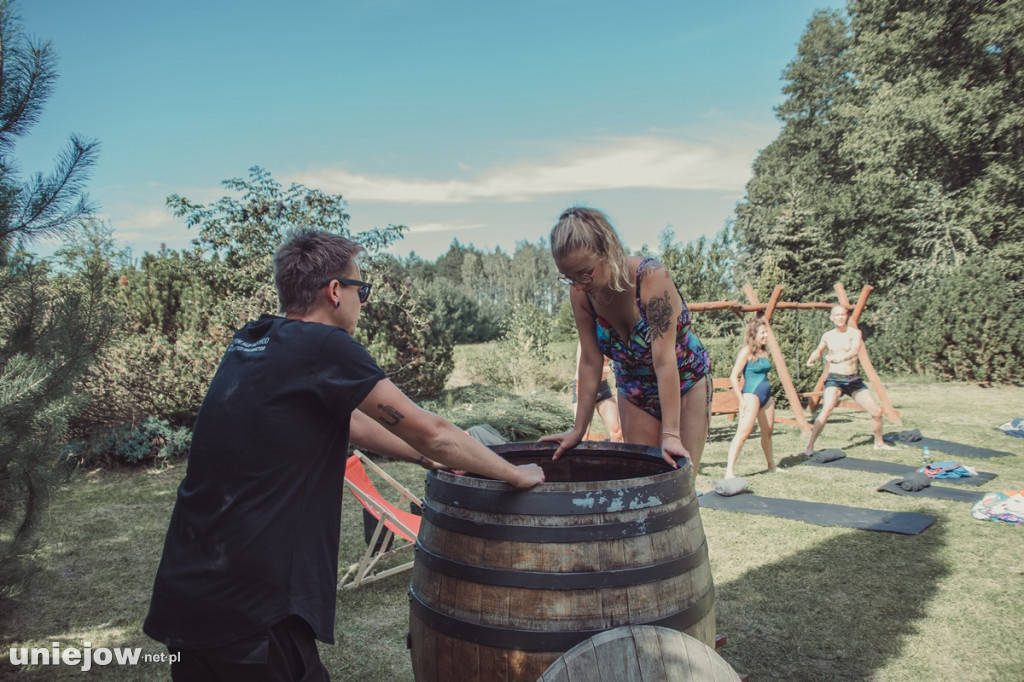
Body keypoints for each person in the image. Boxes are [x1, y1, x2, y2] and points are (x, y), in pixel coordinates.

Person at [143, 229, 544, 682]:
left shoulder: (254, 339)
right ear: (335, 291)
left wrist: (420, 460)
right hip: (250, 610)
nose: (363, 303)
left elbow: (350, 421)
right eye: (362, 290)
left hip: (189, 588)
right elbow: (433, 432)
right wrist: (513, 473)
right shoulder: (326, 346)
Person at [542, 206, 711, 476]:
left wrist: (671, 434)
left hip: (684, 381)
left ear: (607, 252)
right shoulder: (581, 293)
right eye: (568, 277)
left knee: (680, 479)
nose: (578, 285)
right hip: (634, 388)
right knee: (642, 481)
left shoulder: (651, 277)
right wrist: (578, 430)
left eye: (584, 273)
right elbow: (589, 361)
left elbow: (664, 360)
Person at [804, 304, 895, 455]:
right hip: (834, 379)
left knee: (877, 412)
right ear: (832, 318)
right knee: (826, 410)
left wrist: (839, 358)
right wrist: (811, 359)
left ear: (846, 316)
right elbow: (819, 350)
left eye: (842, 314)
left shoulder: (854, 333)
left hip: (853, 380)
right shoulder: (828, 335)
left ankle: (878, 443)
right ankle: (810, 446)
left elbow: (854, 351)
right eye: (837, 315)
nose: (840, 317)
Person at [724, 317, 778, 478]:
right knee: (743, 433)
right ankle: (729, 471)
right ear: (754, 334)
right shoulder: (747, 351)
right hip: (751, 395)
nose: (766, 335)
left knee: (767, 432)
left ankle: (771, 465)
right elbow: (733, 376)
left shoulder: (764, 350)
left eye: (766, 332)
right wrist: (741, 401)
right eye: (763, 333)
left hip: (766, 397)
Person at [573, 341, 623, 442]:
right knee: (583, 435)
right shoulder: (586, 338)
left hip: (603, 387)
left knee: (617, 432)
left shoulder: (610, 338)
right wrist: (613, 368)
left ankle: (611, 457)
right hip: (584, 387)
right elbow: (583, 367)